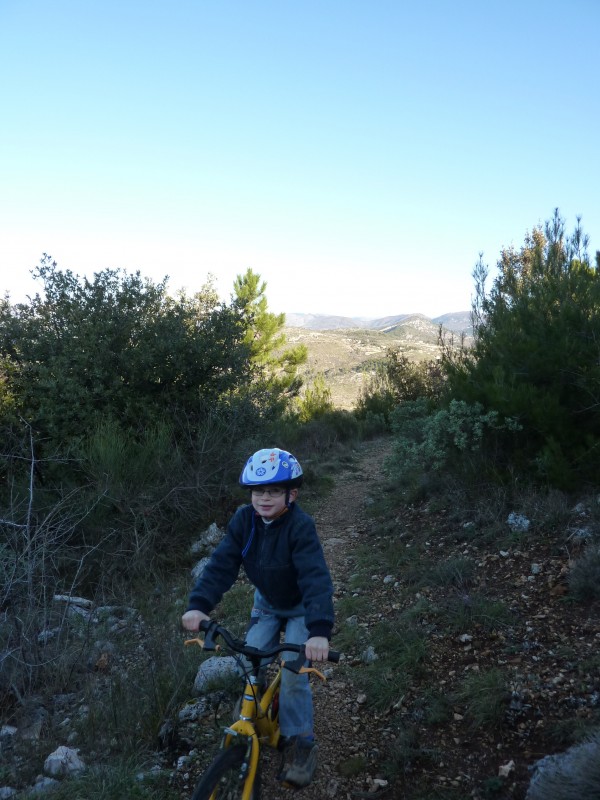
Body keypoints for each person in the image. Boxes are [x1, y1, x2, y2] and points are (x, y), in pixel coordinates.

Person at [181, 447, 334, 789]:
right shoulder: (243, 521)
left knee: (294, 676)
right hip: (265, 604)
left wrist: (319, 630)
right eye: (258, 491)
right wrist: (198, 605)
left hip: (301, 609)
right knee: (249, 660)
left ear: (291, 494)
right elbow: (222, 564)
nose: (265, 498)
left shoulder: (300, 526)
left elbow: (315, 577)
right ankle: (256, 694)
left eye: (274, 491)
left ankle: (299, 743)